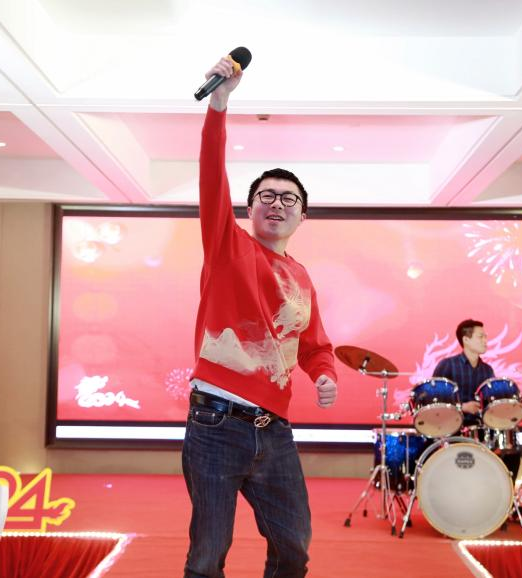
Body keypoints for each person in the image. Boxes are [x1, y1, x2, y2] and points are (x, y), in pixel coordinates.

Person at [183, 55, 338, 578]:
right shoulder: (228, 247)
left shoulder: (302, 278)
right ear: (249, 209)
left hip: (275, 431)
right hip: (216, 423)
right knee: (208, 555)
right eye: (266, 195)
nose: (277, 203)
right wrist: (219, 105)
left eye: (288, 198)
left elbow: (315, 346)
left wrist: (324, 374)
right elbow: (211, 176)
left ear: (302, 214)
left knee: (294, 546)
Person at [432, 319, 521, 480]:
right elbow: (435, 402)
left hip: (482, 432)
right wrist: (462, 407)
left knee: (512, 454)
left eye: (485, 336)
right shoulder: (447, 365)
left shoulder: (487, 370)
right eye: (481, 337)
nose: (485, 340)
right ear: (466, 340)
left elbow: (492, 402)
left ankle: (502, 494)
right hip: (454, 431)